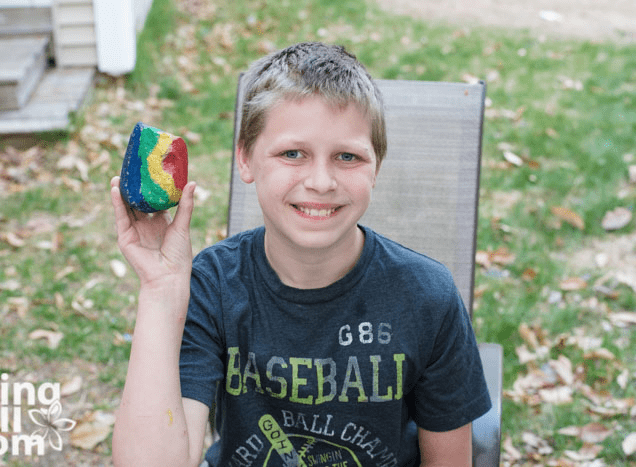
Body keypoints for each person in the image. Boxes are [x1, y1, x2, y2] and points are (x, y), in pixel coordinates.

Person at [110, 41, 491, 467]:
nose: (321, 181)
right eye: (293, 153)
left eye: (347, 156)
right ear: (246, 159)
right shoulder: (211, 286)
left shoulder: (427, 297)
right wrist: (161, 290)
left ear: (376, 168)